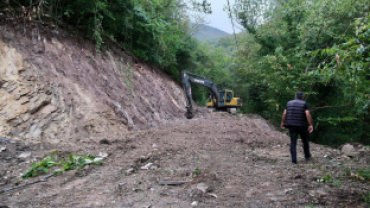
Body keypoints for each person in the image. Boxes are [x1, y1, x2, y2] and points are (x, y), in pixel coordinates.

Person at [281, 91, 313, 164]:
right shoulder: (304, 103)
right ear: (302, 97)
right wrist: (310, 124)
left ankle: (294, 161)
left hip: (291, 125)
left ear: (295, 96)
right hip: (302, 125)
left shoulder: (289, 103)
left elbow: (284, 113)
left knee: (293, 142)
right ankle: (307, 156)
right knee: (305, 140)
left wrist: (283, 122)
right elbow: (307, 114)